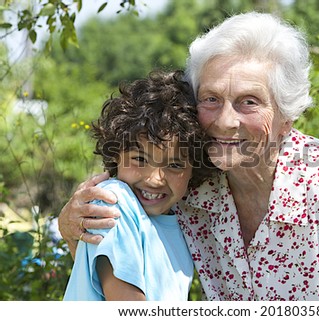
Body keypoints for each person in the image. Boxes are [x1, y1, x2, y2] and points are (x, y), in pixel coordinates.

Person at [58, 12, 319, 300]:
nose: (225, 121)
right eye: (211, 99)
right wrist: (71, 225)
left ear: (286, 116)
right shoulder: (189, 183)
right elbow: (113, 254)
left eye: (248, 102)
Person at [63, 70, 215, 300]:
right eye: (140, 159)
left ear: (194, 169)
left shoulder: (178, 220)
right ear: (116, 155)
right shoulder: (113, 203)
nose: (154, 179)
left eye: (174, 165)